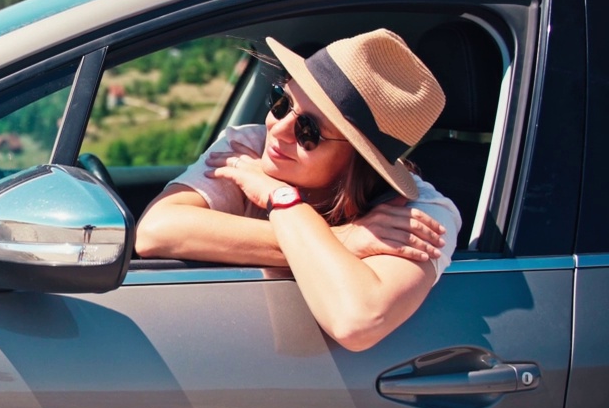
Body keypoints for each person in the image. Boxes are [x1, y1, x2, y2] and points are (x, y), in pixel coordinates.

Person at [136, 29, 461, 352]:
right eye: (281, 102)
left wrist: (280, 199)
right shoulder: (250, 147)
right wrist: (344, 238)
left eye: (309, 131)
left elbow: (357, 321)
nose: (279, 129)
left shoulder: (420, 216)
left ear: (361, 161)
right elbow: (155, 231)